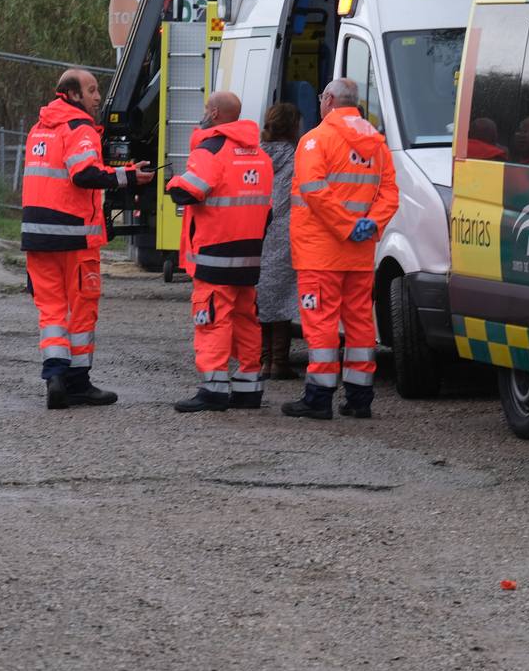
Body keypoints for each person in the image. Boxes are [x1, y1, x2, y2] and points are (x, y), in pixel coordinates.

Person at [21, 69, 153, 409]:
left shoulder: (39, 128)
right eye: (92, 91)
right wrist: (128, 176)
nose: (98, 97)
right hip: (74, 237)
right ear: (73, 95)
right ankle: (78, 383)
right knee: (81, 311)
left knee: (50, 310)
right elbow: (84, 175)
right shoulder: (79, 128)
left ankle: (54, 376)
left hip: (37, 236)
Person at [281, 78, 399, 420]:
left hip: (321, 251)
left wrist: (346, 226)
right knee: (360, 323)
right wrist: (371, 224)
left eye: (321, 97)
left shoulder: (315, 140)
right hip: (360, 254)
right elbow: (390, 193)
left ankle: (318, 397)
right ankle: (360, 398)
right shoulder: (377, 143)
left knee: (321, 322)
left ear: (329, 100)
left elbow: (316, 192)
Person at [166, 91, 274, 412]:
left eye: (204, 109)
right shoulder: (260, 155)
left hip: (215, 254)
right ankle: (248, 389)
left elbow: (192, 190)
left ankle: (213, 390)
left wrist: (172, 182)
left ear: (214, 113)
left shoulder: (209, 149)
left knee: (212, 318)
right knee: (245, 320)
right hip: (249, 256)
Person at [257, 103, 302, 381]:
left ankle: (263, 361)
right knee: (283, 296)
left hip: (257, 230)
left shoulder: (256, 155)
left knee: (260, 295)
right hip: (285, 231)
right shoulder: (296, 156)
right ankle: (279, 362)